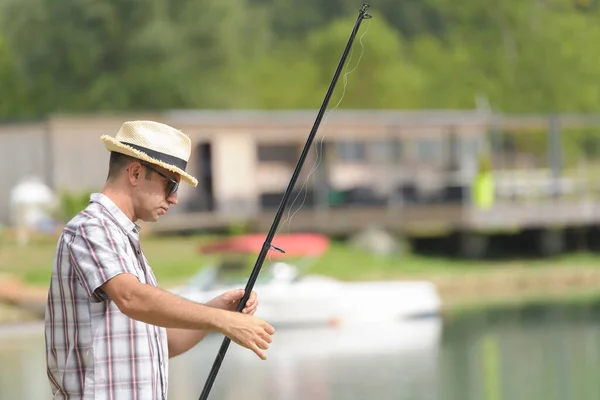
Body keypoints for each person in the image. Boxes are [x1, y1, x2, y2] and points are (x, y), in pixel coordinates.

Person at [44, 121, 275, 399]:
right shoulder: (91, 228)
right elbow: (132, 299)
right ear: (136, 172)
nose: (175, 198)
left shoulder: (123, 240)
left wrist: (218, 314)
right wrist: (222, 321)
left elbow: (160, 343)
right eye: (171, 183)